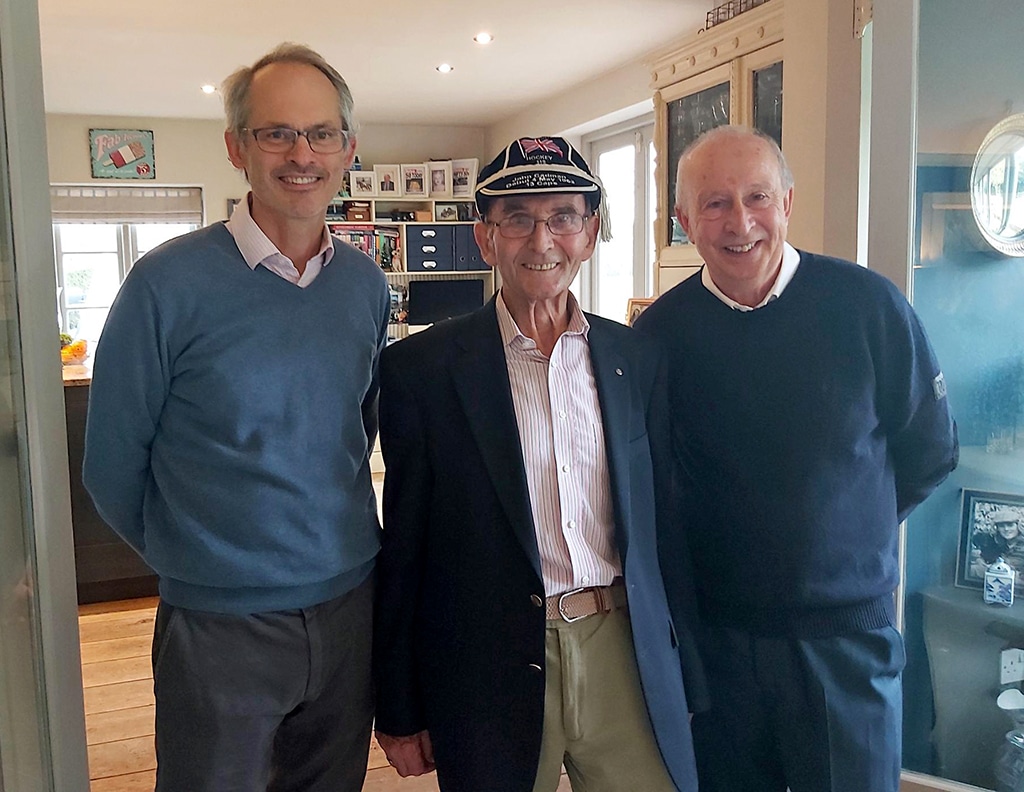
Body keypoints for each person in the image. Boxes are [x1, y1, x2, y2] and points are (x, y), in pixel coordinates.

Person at [83, 43, 390, 792]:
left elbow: (356, 432)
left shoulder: (365, 286)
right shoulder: (165, 284)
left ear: (347, 149)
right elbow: (111, 464)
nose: (301, 154)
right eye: (275, 133)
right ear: (236, 148)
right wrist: (197, 560)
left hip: (349, 606)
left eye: (321, 133)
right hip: (216, 628)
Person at [373, 136, 706, 792]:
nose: (541, 238)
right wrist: (400, 703)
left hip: (624, 649)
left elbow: (665, 527)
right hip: (486, 658)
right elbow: (405, 546)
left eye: (563, 216)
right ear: (484, 237)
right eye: (517, 217)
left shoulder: (635, 360)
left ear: (591, 231)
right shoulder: (422, 370)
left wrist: (685, 667)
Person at [634, 125, 959, 792]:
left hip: (847, 646)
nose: (740, 222)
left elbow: (929, 451)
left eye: (757, 196)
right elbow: (656, 486)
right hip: (718, 648)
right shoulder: (659, 336)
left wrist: (844, 529)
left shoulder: (869, 306)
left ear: (787, 202)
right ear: (684, 219)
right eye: (716, 202)